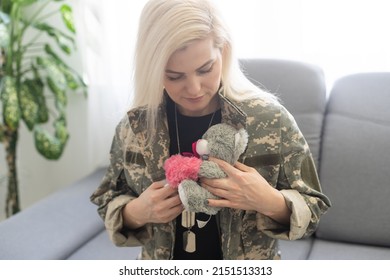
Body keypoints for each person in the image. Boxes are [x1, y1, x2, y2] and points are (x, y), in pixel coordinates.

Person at [90, 0, 331, 260]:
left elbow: (313, 209)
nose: (194, 89)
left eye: (205, 69)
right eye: (174, 76)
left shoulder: (270, 119)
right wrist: (138, 211)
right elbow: (107, 199)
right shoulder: (135, 128)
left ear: (223, 52)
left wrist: (268, 200)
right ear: (153, 69)